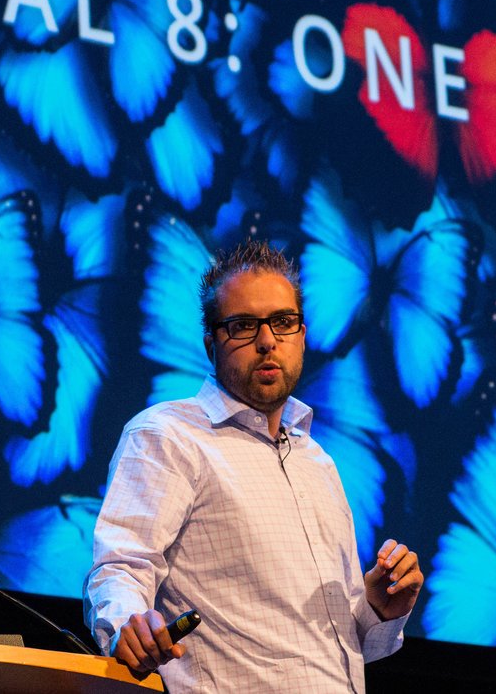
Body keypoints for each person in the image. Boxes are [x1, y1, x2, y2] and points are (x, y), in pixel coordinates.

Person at [84, 240, 423, 691]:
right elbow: (121, 566)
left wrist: (379, 608)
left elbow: (343, 640)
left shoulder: (317, 463)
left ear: (301, 335)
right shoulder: (169, 435)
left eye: (283, 322)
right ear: (211, 342)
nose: (267, 341)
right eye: (244, 326)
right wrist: (129, 623)